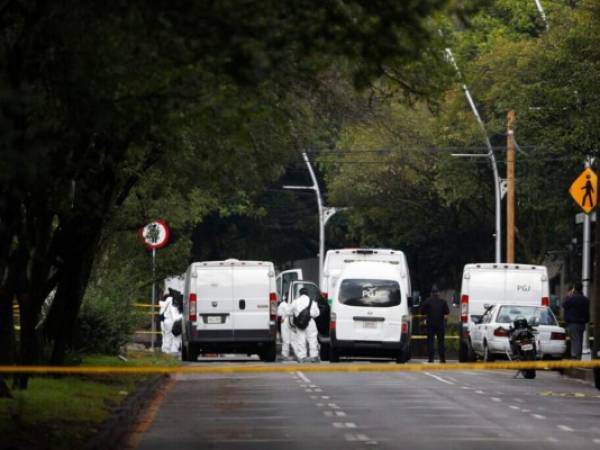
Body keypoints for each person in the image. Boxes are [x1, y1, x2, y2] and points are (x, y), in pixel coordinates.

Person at [420, 285, 449, 363]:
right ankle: (442, 359)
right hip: (440, 324)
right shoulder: (443, 302)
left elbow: (422, 312)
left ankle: (431, 359)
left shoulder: (427, 301)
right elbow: (447, 312)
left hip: (430, 324)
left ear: (431, 293)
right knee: (441, 342)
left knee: (430, 342)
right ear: (438, 293)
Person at [290, 287, 320, 363]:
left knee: (301, 339)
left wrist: (296, 314)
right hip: (310, 322)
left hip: (300, 323)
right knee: (312, 339)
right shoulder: (312, 302)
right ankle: (314, 356)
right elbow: (317, 314)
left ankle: (302, 357)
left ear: (300, 294)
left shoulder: (295, 301)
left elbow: (289, 310)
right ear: (307, 293)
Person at [562, 282, 590, 359]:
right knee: (579, 341)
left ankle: (574, 357)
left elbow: (564, 304)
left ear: (574, 289)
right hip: (582, 324)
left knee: (575, 340)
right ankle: (578, 357)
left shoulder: (571, 298)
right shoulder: (585, 300)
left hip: (573, 324)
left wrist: (568, 295)